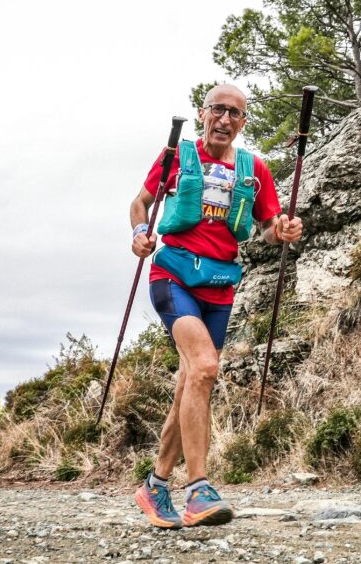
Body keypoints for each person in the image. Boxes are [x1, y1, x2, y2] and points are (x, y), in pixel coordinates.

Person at [129, 83, 303, 528]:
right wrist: (138, 235)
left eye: (235, 114)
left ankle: (154, 486)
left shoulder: (254, 169)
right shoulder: (175, 157)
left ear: (243, 123)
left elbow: (266, 227)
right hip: (172, 275)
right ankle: (199, 489)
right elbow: (141, 204)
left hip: (220, 286)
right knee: (205, 367)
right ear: (203, 114)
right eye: (218, 110)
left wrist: (280, 232)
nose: (225, 119)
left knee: (191, 380)